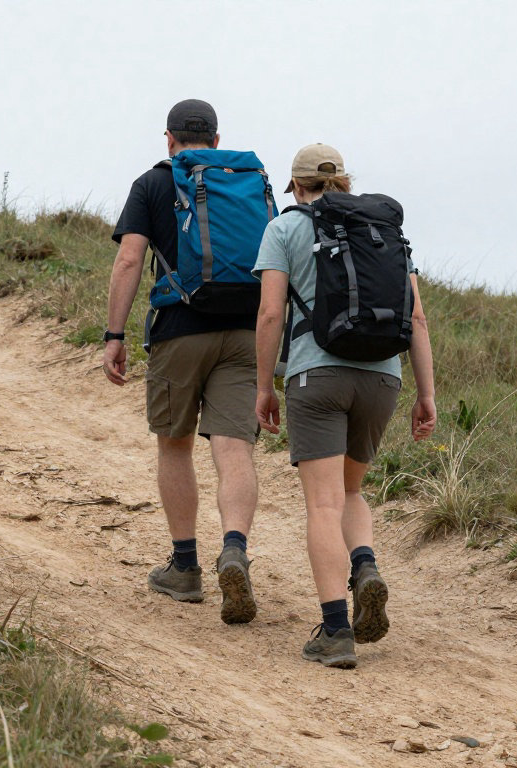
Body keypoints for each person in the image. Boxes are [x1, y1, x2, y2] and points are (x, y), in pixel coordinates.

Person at [253, 144, 436, 667]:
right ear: (345, 183)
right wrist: (426, 395)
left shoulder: (285, 229)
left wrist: (265, 386)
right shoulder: (382, 230)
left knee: (323, 505)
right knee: (352, 491)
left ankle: (336, 631)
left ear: (297, 186)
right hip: (383, 378)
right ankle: (365, 563)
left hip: (317, 377)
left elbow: (270, 316)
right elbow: (417, 320)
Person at [103, 99, 262, 625]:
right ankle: (234, 549)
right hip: (244, 331)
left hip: (179, 329)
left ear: (168, 138)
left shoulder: (152, 183)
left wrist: (114, 334)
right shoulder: (247, 180)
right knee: (234, 447)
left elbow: (129, 258)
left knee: (175, 445)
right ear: (217, 141)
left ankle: (186, 567)